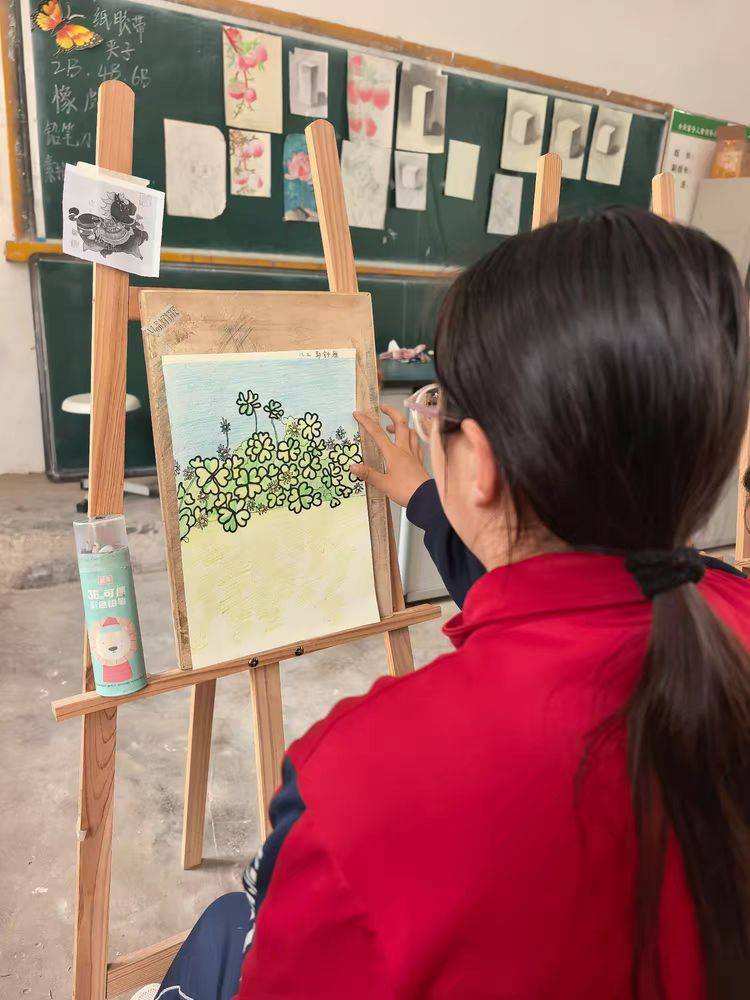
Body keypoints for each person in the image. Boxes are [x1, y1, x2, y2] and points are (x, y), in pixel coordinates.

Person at [151, 207, 750, 1000]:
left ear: (484, 464)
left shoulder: (362, 787)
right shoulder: (718, 612)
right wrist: (428, 497)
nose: (428, 422)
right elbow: (559, 598)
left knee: (226, 926)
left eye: (438, 404)